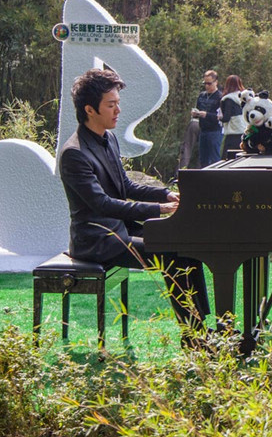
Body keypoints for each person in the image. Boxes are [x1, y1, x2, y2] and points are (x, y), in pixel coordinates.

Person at [59, 68, 210, 343]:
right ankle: (193, 336)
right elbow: (102, 204)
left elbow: (125, 186)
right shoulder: (74, 154)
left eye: (118, 103)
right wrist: (158, 211)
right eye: (111, 105)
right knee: (173, 257)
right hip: (96, 240)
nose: (118, 110)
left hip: (119, 230)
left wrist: (166, 195)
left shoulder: (109, 138)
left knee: (186, 245)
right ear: (90, 110)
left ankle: (201, 326)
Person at [193, 70, 222, 167]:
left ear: (216, 82)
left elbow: (221, 117)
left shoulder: (220, 97)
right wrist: (195, 113)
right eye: (205, 83)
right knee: (203, 159)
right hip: (203, 130)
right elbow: (198, 108)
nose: (207, 86)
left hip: (215, 131)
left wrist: (207, 115)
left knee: (215, 159)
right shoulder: (202, 95)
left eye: (209, 83)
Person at [219, 74, 247, 160]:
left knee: (227, 158)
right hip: (243, 130)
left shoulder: (228, 99)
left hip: (232, 132)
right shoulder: (244, 98)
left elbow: (226, 117)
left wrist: (219, 118)